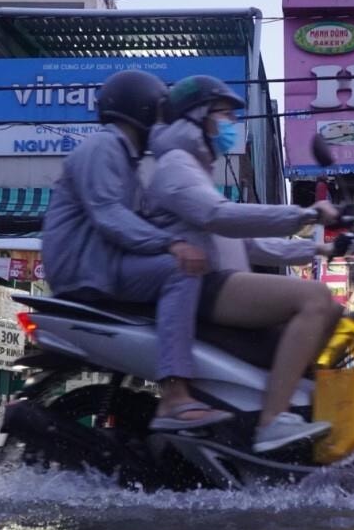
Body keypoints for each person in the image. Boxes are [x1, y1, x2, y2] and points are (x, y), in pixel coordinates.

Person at [143, 74, 344, 453]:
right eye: (224, 115)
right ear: (198, 117)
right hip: (204, 284)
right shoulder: (175, 167)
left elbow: (246, 244)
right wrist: (305, 215)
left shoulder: (196, 171)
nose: (230, 125)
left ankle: (280, 408)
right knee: (315, 298)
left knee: (331, 311)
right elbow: (219, 216)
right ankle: (272, 421)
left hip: (223, 280)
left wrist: (314, 251)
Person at [40, 69, 230, 431]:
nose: (164, 125)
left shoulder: (131, 163)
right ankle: (175, 397)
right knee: (179, 271)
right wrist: (173, 245)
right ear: (143, 111)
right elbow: (109, 216)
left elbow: (144, 219)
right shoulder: (103, 147)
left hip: (104, 264)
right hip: (89, 270)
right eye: (160, 115)